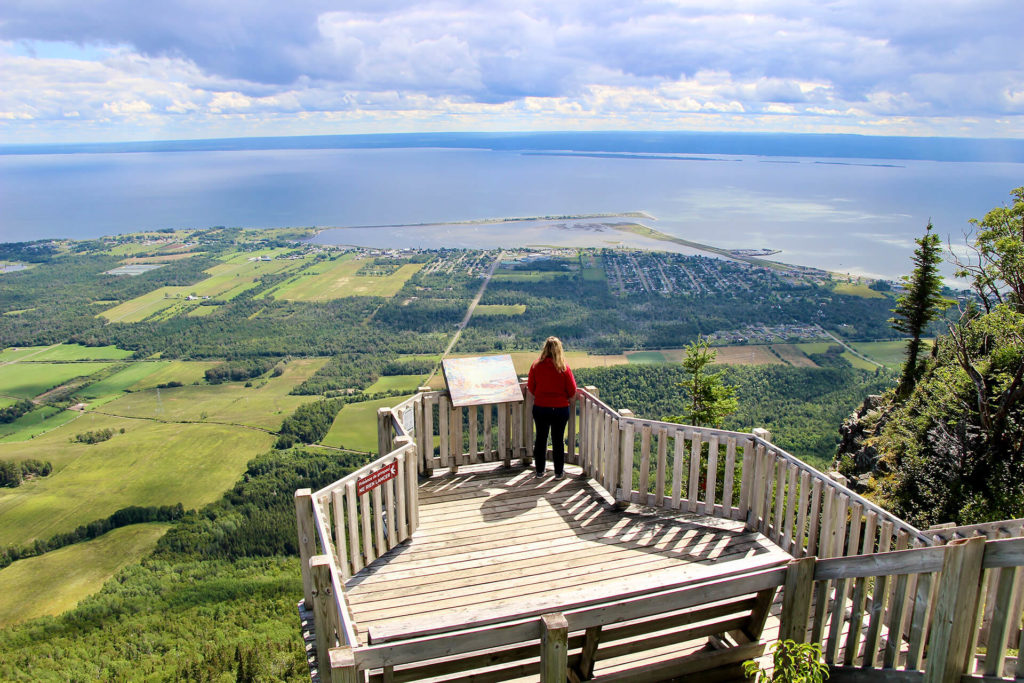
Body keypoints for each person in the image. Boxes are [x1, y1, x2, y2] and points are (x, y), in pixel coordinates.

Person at [526, 336, 577, 479]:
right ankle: (559, 472)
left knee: (541, 439)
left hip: (541, 408)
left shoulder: (536, 366)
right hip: (560, 409)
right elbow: (572, 392)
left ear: (545, 349)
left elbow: (531, 388)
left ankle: (540, 471)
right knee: (558, 441)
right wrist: (567, 401)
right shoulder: (564, 368)